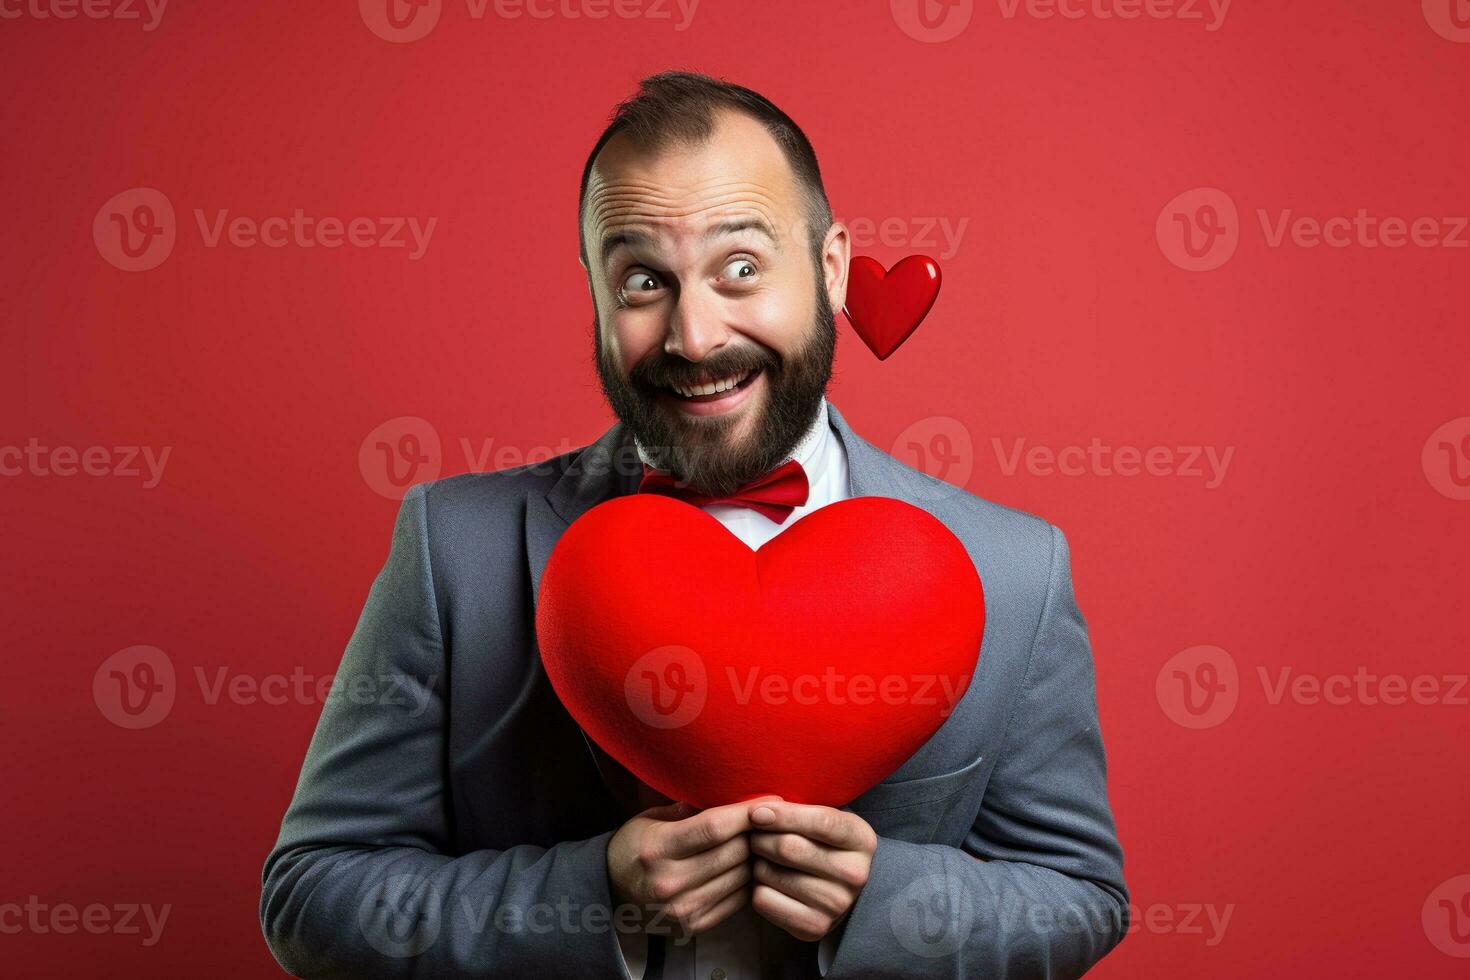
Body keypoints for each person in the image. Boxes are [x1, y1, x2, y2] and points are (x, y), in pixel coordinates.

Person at [260, 70, 1128, 979]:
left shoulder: (1015, 571)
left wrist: (885, 901)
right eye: (642, 280)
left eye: (740, 269)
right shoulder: (455, 548)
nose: (696, 336)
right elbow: (313, 894)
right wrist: (590, 896)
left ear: (831, 269)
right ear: (596, 293)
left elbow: (1079, 897)